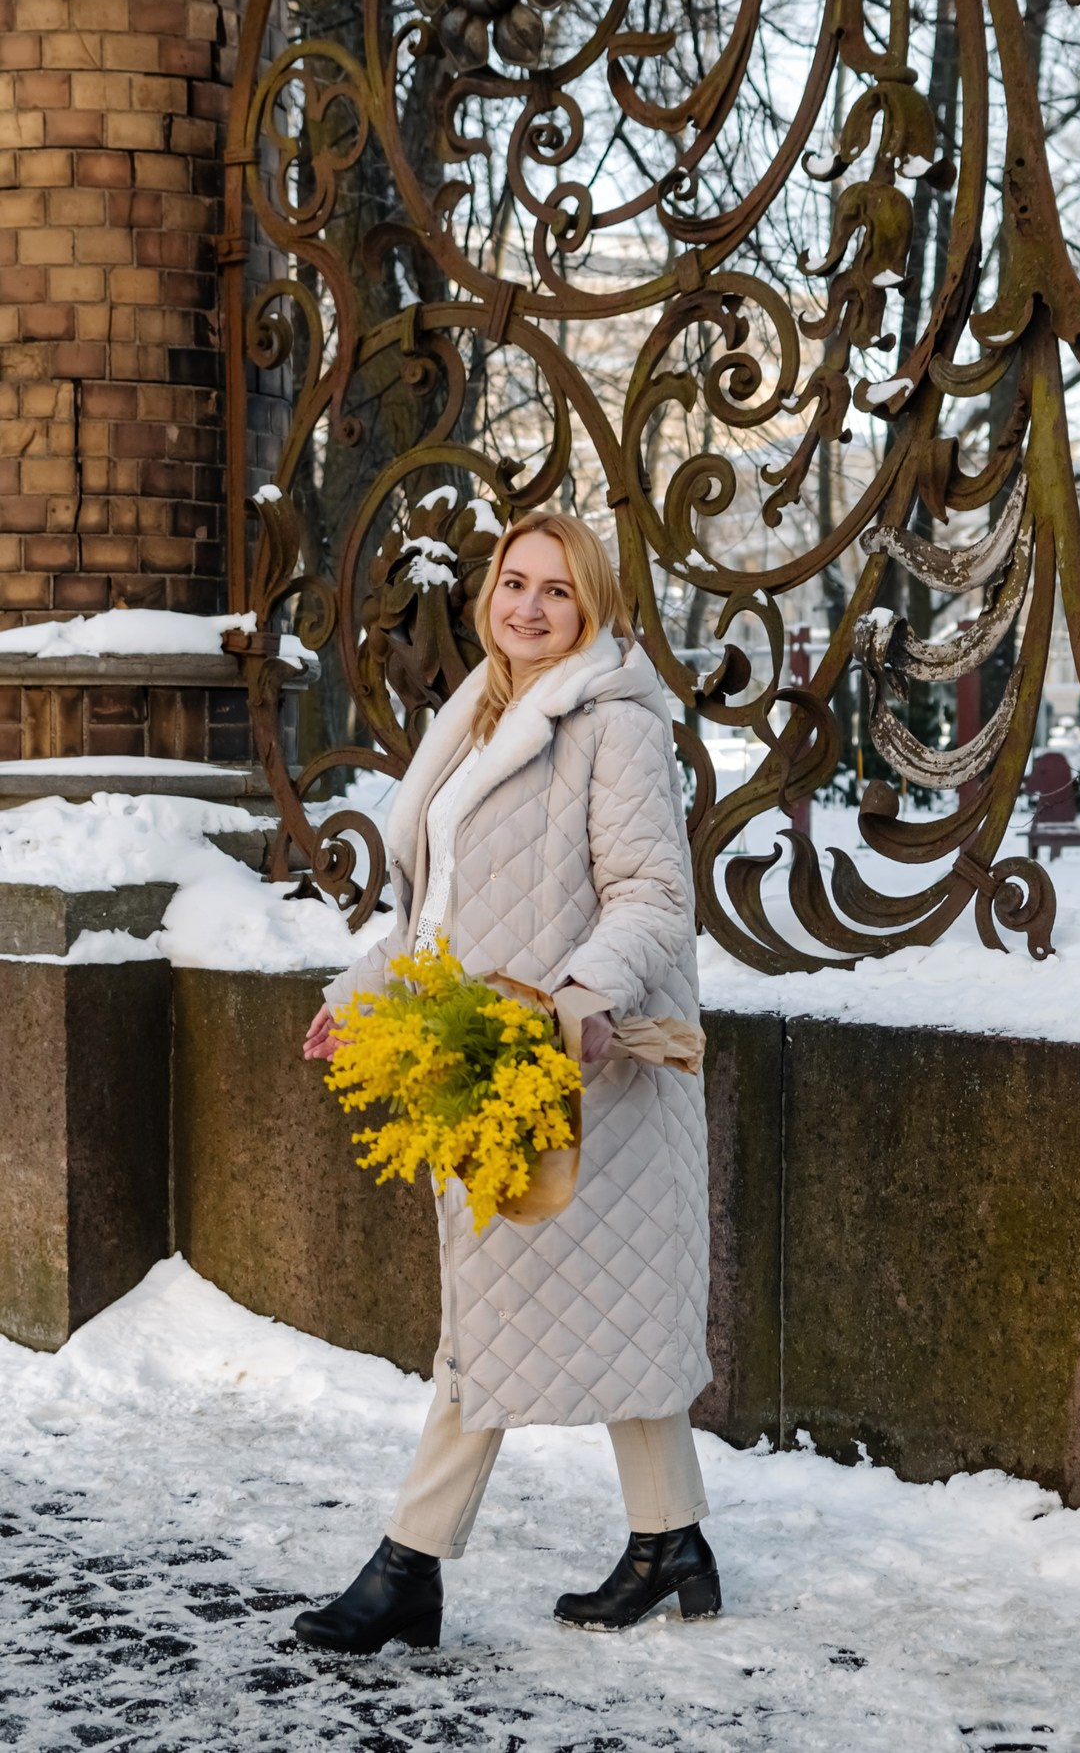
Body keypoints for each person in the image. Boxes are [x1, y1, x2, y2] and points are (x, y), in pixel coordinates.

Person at [295, 510, 717, 1653]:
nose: (529, 607)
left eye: (557, 591)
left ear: (594, 608)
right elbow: (438, 913)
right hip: (483, 1059)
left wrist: (577, 994)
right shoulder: (479, 710)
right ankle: (670, 1537)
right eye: (514, 583)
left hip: (573, 1068)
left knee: (490, 1316)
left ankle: (407, 1565)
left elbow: (650, 897)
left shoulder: (613, 724)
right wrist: (361, 993)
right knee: (603, 1306)